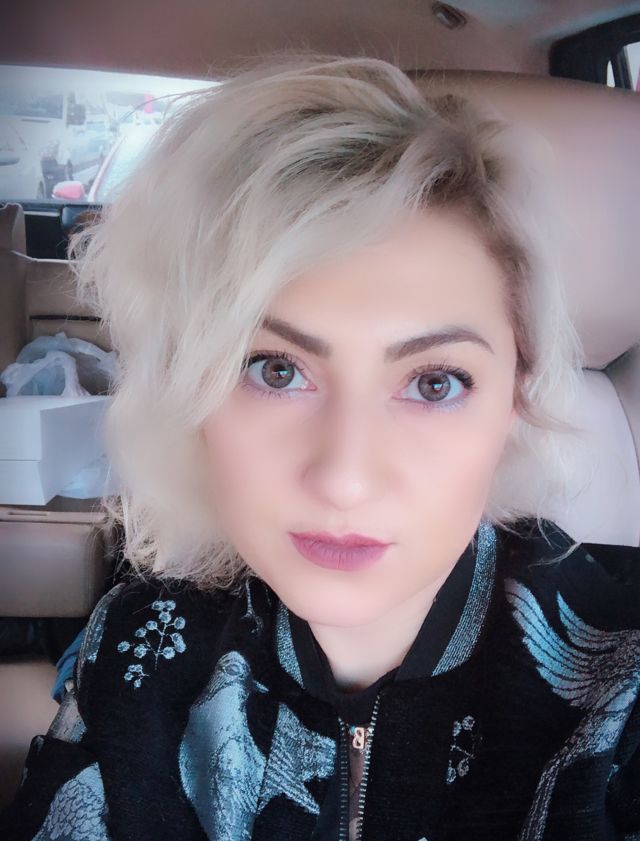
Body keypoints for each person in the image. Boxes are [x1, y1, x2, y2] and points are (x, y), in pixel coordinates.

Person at [1, 51, 639, 841]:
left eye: (435, 382)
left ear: (518, 396)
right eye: (276, 369)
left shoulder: (623, 679)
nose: (345, 478)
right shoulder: (137, 646)